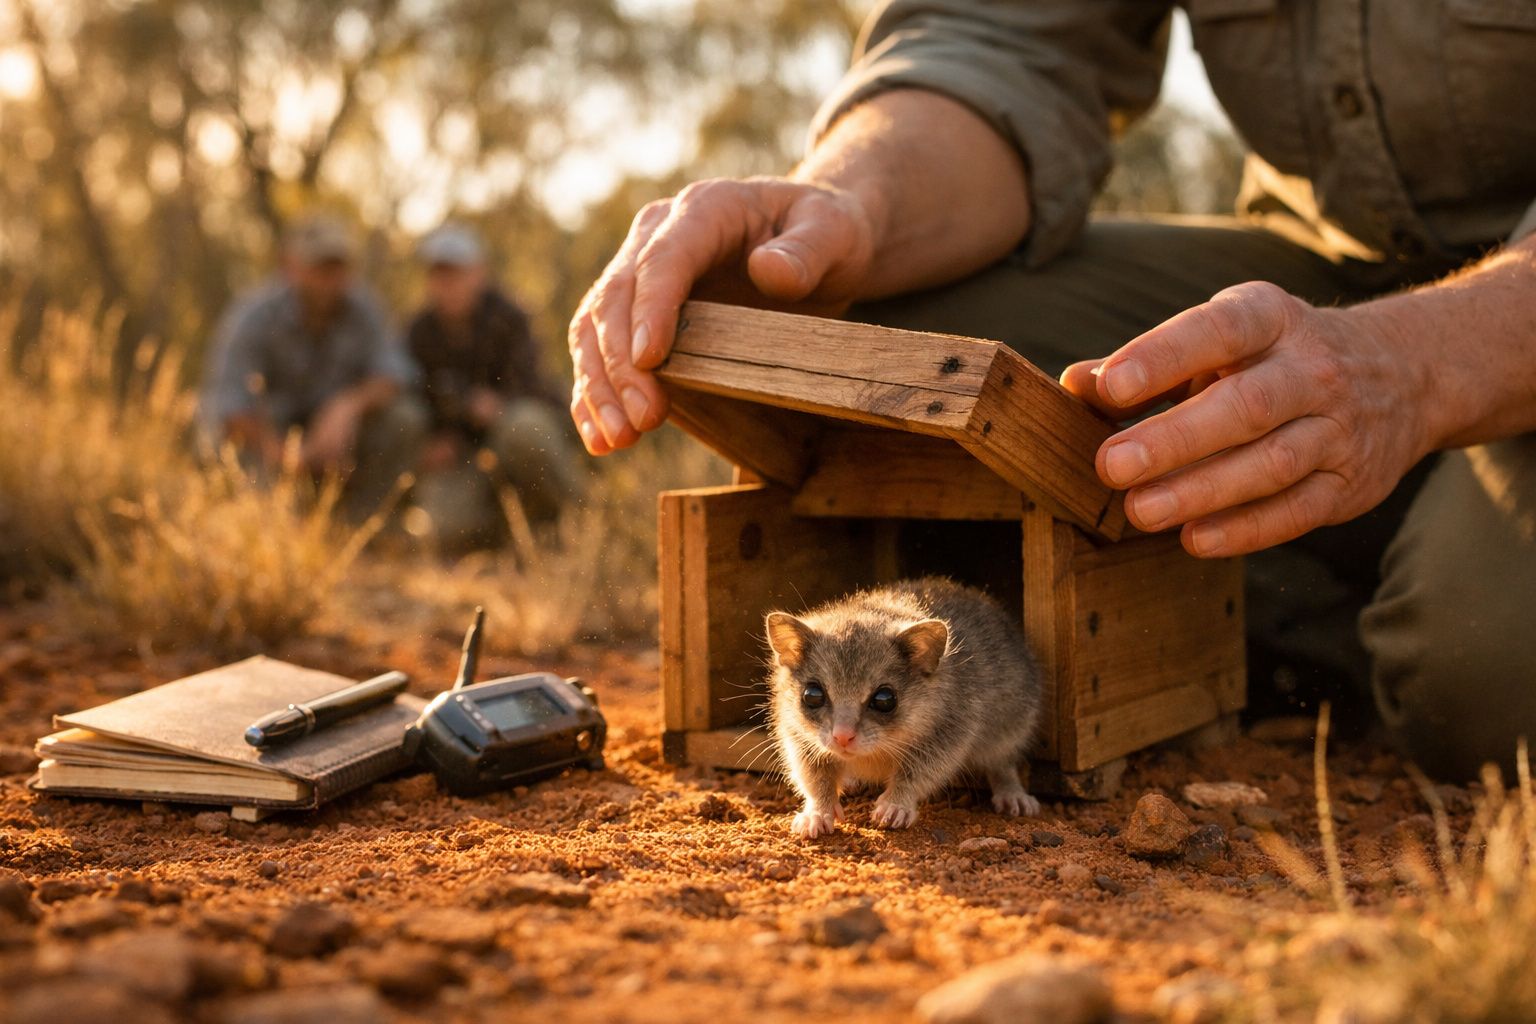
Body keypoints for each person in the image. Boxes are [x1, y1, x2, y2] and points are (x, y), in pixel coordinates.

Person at [567, 1, 1536, 781]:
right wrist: (848, 208)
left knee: (1477, 672)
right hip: (1317, 263)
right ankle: (1334, 575)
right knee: (872, 362)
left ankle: (1392, 584)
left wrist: (1416, 365)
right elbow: (998, 42)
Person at [199, 215, 425, 520]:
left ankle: (365, 522)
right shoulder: (252, 316)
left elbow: (396, 374)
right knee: (226, 450)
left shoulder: (364, 307)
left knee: (405, 417)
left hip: (334, 442)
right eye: (319, 268)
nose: (329, 279)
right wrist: (288, 455)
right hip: (270, 440)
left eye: (337, 267)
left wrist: (348, 407)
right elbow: (229, 407)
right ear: (290, 267)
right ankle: (260, 515)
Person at [404, 225, 580, 542]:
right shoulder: (419, 332)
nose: (447, 284)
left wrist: (498, 407)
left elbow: (534, 384)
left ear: (479, 273)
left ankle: (580, 521)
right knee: (437, 529)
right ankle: (509, 536)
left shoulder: (510, 318)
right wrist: (440, 438)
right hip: (466, 453)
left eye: (456, 273)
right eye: (439, 274)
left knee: (523, 429)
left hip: (516, 434)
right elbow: (418, 396)